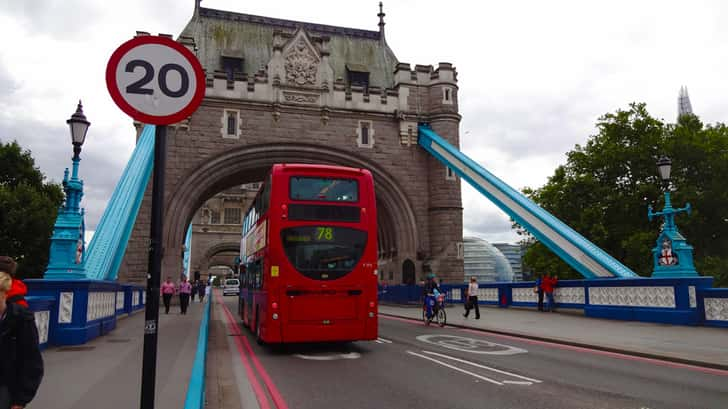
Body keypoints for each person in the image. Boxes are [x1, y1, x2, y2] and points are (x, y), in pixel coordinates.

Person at [0, 270, 44, 409]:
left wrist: (20, 400)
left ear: (5, 294)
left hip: (6, 386)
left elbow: (32, 361)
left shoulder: (21, 319)